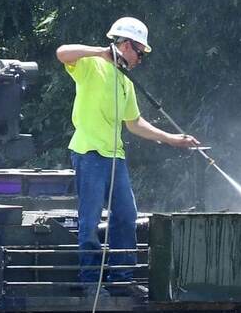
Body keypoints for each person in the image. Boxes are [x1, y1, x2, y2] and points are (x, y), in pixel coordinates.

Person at [56, 16, 199, 295]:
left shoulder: (126, 82)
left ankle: (121, 279)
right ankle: (90, 282)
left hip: (115, 156)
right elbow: (62, 53)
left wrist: (171, 139)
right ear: (125, 45)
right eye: (140, 51)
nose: (141, 59)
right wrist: (101, 52)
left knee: (126, 215)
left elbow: (134, 123)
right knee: (90, 218)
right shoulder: (91, 65)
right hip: (89, 152)